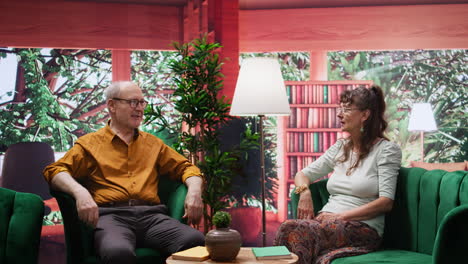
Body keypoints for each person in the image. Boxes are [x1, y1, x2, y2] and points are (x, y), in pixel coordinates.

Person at [43, 81, 205, 264]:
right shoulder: (89, 144)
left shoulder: (153, 144)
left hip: (152, 217)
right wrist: (80, 192)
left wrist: (194, 192)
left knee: (196, 242)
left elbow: (186, 168)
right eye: (133, 102)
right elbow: (55, 171)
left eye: (142, 103)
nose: (140, 109)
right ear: (112, 105)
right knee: (118, 252)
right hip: (112, 217)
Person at [274, 85, 402, 264]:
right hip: (327, 223)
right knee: (289, 227)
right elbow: (302, 174)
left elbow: (386, 203)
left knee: (298, 230)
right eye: (339, 109)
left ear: (365, 115)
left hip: (362, 228)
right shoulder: (340, 147)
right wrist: (304, 192)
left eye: (347, 109)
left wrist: (341, 216)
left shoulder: (387, 150)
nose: (339, 114)